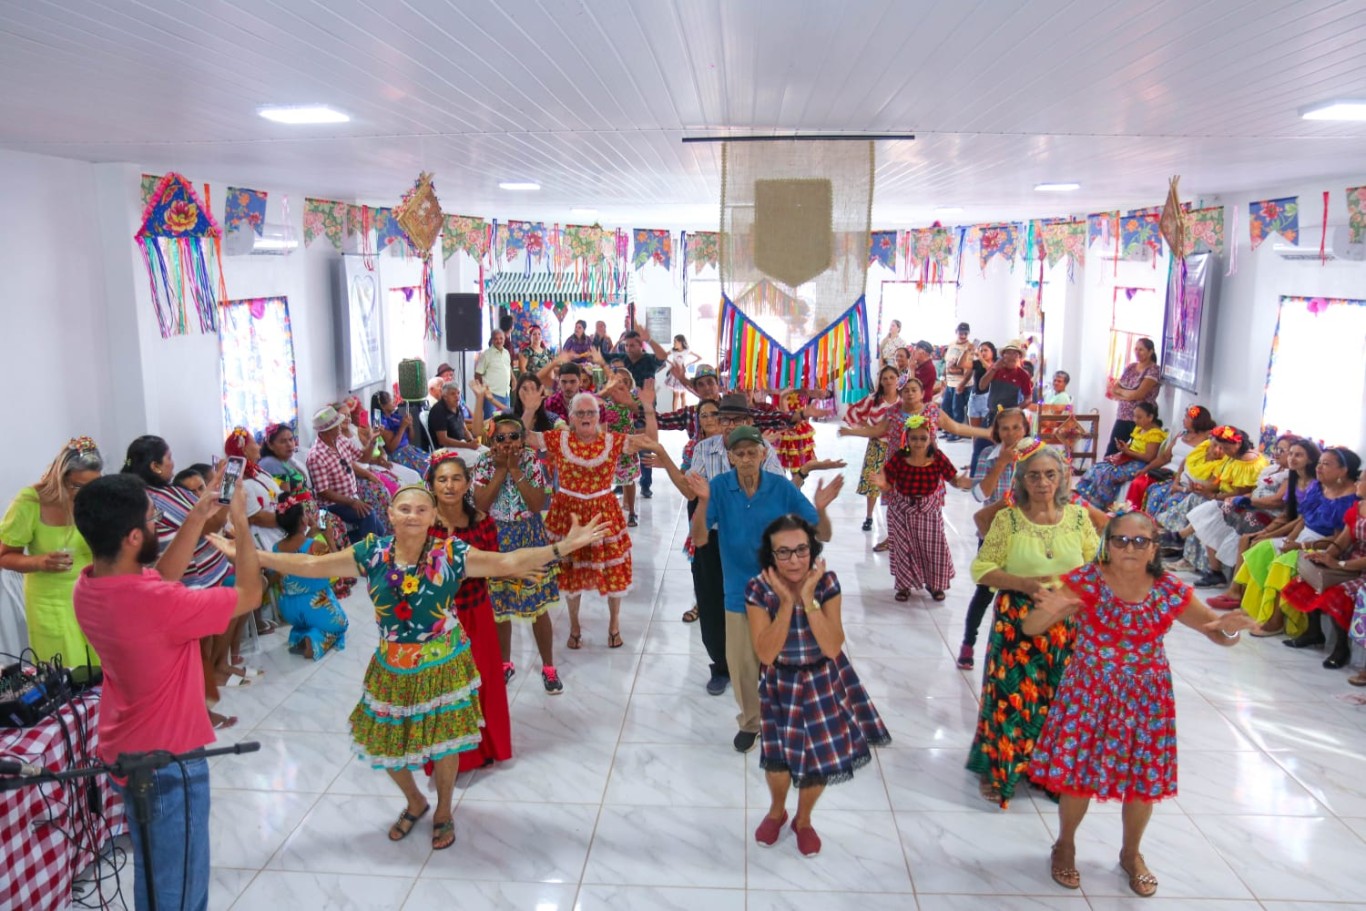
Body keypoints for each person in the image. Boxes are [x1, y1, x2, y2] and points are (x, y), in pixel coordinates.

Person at [207, 484, 605, 850]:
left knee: (445, 740)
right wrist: (249, 553)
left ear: (434, 517)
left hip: (443, 664)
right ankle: (415, 800)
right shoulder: (371, 554)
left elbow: (508, 562)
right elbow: (312, 566)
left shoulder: (451, 554)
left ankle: (445, 809)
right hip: (392, 665)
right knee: (386, 743)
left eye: (421, 509)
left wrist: (563, 547)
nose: (413, 515)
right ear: (391, 514)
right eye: (404, 508)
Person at [1024, 510, 1255, 897]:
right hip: (1089, 693)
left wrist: (1229, 627)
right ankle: (1064, 844)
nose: (1130, 548)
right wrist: (1047, 612)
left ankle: (1131, 854)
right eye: (1120, 540)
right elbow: (1032, 627)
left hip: (1146, 700)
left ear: (1153, 548)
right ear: (1107, 545)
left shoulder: (1169, 590)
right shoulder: (1085, 581)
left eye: (1140, 541)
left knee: (1141, 782)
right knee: (1078, 774)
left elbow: (1217, 631)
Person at [72, 470, 263, 911]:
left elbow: (160, 578)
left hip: (126, 749)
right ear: (134, 536)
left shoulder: (91, 585)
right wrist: (241, 522)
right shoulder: (160, 606)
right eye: (156, 518)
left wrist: (198, 515)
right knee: (179, 889)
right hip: (169, 763)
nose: (162, 523)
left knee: (157, 877)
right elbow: (251, 593)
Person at [686, 426, 843, 753]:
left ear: (763, 454)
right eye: (739, 453)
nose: (745, 459)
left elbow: (823, 534)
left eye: (751, 452)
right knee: (742, 664)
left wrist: (822, 508)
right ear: (730, 457)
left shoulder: (781, 488)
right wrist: (702, 503)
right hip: (738, 593)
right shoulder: (718, 488)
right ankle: (751, 722)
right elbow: (700, 539)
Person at [747, 515, 889, 856]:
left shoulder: (826, 584)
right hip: (780, 683)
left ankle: (804, 820)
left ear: (813, 550)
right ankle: (777, 811)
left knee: (819, 761)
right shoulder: (758, 588)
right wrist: (785, 603)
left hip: (823, 679)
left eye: (801, 550)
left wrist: (808, 599)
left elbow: (831, 646)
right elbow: (766, 652)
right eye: (783, 553)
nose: (794, 560)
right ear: (771, 556)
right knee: (778, 761)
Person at [966, 446, 1099, 808]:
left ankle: (1049, 771)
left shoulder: (1077, 518)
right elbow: (982, 567)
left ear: (1062, 478)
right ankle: (1001, 768)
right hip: (1017, 619)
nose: (1043, 482)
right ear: (1022, 481)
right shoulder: (1008, 520)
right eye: (1034, 475)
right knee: (1012, 697)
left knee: (1059, 697)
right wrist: (1025, 584)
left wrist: (1069, 591)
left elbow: (1095, 566)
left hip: (1066, 618)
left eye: (1050, 474)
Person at [645, 397, 790, 697]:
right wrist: (664, 455)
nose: (731, 427)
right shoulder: (704, 449)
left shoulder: (762, 450)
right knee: (711, 603)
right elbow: (689, 491)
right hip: (711, 540)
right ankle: (721, 667)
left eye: (738, 420)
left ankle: (760, 664)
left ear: (750, 422)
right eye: (726, 421)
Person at [122, 435, 239, 727]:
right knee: (193, 654)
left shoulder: (162, 491)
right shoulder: (153, 498)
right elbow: (209, 524)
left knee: (201, 649)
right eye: (169, 457)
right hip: (182, 581)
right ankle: (200, 713)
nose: (174, 462)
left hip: (201, 576)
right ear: (154, 465)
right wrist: (228, 489)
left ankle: (203, 702)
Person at [536, 391, 652, 649]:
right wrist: (529, 409)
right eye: (580, 413)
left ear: (599, 417)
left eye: (591, 413)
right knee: (569, 568)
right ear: (571, 417)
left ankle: (614, 625)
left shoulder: (612, 441)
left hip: (603, 511)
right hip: (568, 513)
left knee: (612, 569)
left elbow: (649, 441)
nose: (586, 417)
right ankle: (574, 626)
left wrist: (648, 408)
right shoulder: (558, 439)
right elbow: (524, 438)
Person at [427, 453, 513, 771]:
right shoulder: (423, 524)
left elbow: (494, 566)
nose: (449, 485)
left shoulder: (482, 522)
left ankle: (485, 747)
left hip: (476, 612)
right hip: (437, 619)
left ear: (467, 483)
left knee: (483, 680)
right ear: (432, 485)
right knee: (446, 687)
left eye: (455, 479)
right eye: (442, 479)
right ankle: (451, 756)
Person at [472, 415, 562, 692]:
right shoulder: (484, 464)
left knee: (538, 608)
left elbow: (536, 504)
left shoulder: (532, 462)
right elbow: (482, 505)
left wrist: (515, 470)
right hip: (496, 539)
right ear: (491, 441)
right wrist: (501, 470)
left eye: (513, 437)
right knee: (500, 609)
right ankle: (504, 664)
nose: (508, 442)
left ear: (523, 439)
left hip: (528, 536)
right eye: (501, 438)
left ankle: (548, 667)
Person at [1234, 447, 1361, 639]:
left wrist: (1300, 547)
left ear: (1343, 471)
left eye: (1326, 464)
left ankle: (1275, 620)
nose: (1319, 468)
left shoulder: (1349, 500)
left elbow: (1338, 540)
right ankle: (1254, 608)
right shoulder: (1320, 488)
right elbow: (1303, 519)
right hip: (1303, 537)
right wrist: (1289, 540)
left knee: (1282, 563)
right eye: (1320, 463)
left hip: (1321, 544)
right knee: (1262, 549)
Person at [0, 436, 105, 667]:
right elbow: (4, 556)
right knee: (68, 674)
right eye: (78, 486)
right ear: (61, 476)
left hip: (94, 598)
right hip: (52, 603)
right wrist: (39, 562)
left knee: (105, 670)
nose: (85, 493)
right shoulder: (30, 502)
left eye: (93, 485)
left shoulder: (98, 498)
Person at [872, 414, 968, 601]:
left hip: (929, 509)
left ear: (930, 439)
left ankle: (935, 585)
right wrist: (881, 484)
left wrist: (962, 482)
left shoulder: (937, 457)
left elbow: (953, 479)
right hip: (901, 509)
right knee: (902, 549)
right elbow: (888, 485)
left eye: (923, 438)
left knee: (933, 548)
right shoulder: (899, 457)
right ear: (906, 439)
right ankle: (904, 586)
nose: (918, 443)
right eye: (914, 438)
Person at [1158, 425, 1267, 585]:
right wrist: (1202, 488)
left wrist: (1213, 495)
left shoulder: (1247, 461)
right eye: (1221, 447)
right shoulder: (1233, 456)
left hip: (1243, 504)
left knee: (1210, 508)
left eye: (1226, 447)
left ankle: (1180, 538)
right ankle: (1184, 545)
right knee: (1197, 498)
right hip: (1225, 498)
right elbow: (1219, 481)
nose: (1224, 451)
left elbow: (1239, 492)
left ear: (1238, 444)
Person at [1281, 469, 1366, 671]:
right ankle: (1314, 631)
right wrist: (1326, 556)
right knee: (1310, 580)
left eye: (1361, 480)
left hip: (1360, 567)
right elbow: (1343, 540)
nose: (1356, 484)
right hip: (1351, 560)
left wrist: (1340, 565)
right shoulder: (1359, 507)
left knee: (1339, 593)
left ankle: (1341, 647)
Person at [259, 422, 355, 597]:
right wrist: (309, 520)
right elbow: (286, 501)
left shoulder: (286, 460)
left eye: (291, 439)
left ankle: (340, 574)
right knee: (329, 526)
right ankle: (333, 579)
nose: (289, 444)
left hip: (310, 507)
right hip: (300, 513)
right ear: (270, 445)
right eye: (283, 441)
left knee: (335, 523)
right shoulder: (272, 465)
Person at [272, 492, 348, 660]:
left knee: (308, 621)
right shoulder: (316, 546)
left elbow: (293, 557)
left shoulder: (276, 548)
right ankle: (314, 640)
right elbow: (338, 570)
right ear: (303, 521)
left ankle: (299, 634)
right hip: (314, 604)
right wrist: (329, 538)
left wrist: (309, 536)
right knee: (342, 624)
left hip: (288, 608)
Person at [306, 406, 386, 542]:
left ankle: (367, 547)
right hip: (330, 505)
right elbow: (324, 492)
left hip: (350, 497)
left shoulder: (341, 440)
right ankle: (369, 553)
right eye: (336, 425)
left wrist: (372, 440)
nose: (340, 427)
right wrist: (353, 502)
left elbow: (363, 457)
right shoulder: (316, 456)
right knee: (368, 514)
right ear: (327, 431)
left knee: (379, 529)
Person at [841, 365, 904, 533]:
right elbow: (854, 413)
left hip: (899, 449)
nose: (889, 381)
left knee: (898, 484)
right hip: (877, 446)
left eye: (892, 377)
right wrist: (867, 428)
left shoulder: (904, 400)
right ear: (880, 381)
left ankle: (897, 517)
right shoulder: (873, 399)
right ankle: (869, 516)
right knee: (873, 483)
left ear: (898, 379)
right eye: (885, 378)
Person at [1073, 402, 1167, 509]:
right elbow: (1133, 446)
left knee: (1108, 474)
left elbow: (1149, 457)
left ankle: (1100, 505)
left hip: (1141, 464)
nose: (1135, 420)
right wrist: (1124, 447)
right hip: (1128, 459)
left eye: (1139, 417)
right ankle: (1087, 499)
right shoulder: (1140, 429)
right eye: (1134, 416)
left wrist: (1128, 452)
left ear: (1150, 417)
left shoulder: (1154, 434)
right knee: (1098, 467)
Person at [1123, 405, 1215, 512]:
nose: (1183, 419)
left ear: (1196, 420)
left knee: (1156, 493)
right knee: (1138, 483)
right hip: (1164, 471)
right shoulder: (1181, 434)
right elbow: (1164, 457)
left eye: (1186, 417)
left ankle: (1146, 522)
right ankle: (1129, 515)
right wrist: (1145, 470)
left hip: (1179, 476)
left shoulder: (1207, 440)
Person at [1105, 337, 1162, 456]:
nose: (1137, 352)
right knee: (1113, 447)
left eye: (1141, 350)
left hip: (1141, 417)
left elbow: (1139, 394)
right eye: (1136, 349)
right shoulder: (1131, 367)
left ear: (1150, 351)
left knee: (1135, 450)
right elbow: (1114, 389)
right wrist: (1128, 395)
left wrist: (1123, 393)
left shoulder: (1153, 370)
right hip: (1123, 415)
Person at [372, 390, 431, 477]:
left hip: (409, 449)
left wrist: (410, 426)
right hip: (398, 455)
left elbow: (410, 439)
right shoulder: (381, 422)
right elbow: (391, 448)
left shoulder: (394, 417)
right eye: (391, 400)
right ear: (382, 406)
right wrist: (402, 427)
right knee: (426, 469)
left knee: (433, 462)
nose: (394, 402)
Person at [941, 322, 975, 429]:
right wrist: (943, 378)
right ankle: (948, 429)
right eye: (961, 333)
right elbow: (946, 363)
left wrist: (962, 384)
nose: (963, 336)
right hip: (950, 382)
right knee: (946, 407)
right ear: (956, 332)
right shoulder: (951, 344)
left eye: (965, 333)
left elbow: (970, 369)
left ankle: (957, 432)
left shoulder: (970, 347)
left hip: (961, 384)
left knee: (957, 409)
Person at [427, 382, 479, 451]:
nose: (457, 396)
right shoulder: (438, 411)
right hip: (446, 450)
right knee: (479, 459)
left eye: (458, 393)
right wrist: (468, 446)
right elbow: (443, 440)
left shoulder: (458, 407)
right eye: (452, 394)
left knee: (486, 452)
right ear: (445, 396)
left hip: (462, 445)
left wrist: (471, 441)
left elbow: (465, 430)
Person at [474, 329, 513, 417]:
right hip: (491, 395)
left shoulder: (506, 353)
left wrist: (514, 379)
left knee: (506, 423)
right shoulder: (486, 354)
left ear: (504, 339)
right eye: (496, 339)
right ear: (492, 340)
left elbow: (507, 367)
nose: (499, 341)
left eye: (501, 338)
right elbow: (477, 374)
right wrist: (482, 391)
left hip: (506, 394)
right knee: (490, 424)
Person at [665, 333, 702, 409]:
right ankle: (674, 413)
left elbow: (699, 357)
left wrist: (688, 364)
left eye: (675, 341)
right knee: (676, 395)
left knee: (683, 395)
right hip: (675, 375)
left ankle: (683, 412)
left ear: (681, 342)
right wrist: (671, 363)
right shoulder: (673, 351)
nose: (674, 343)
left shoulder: (687, 350)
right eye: (674, 341)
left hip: (683, 373)